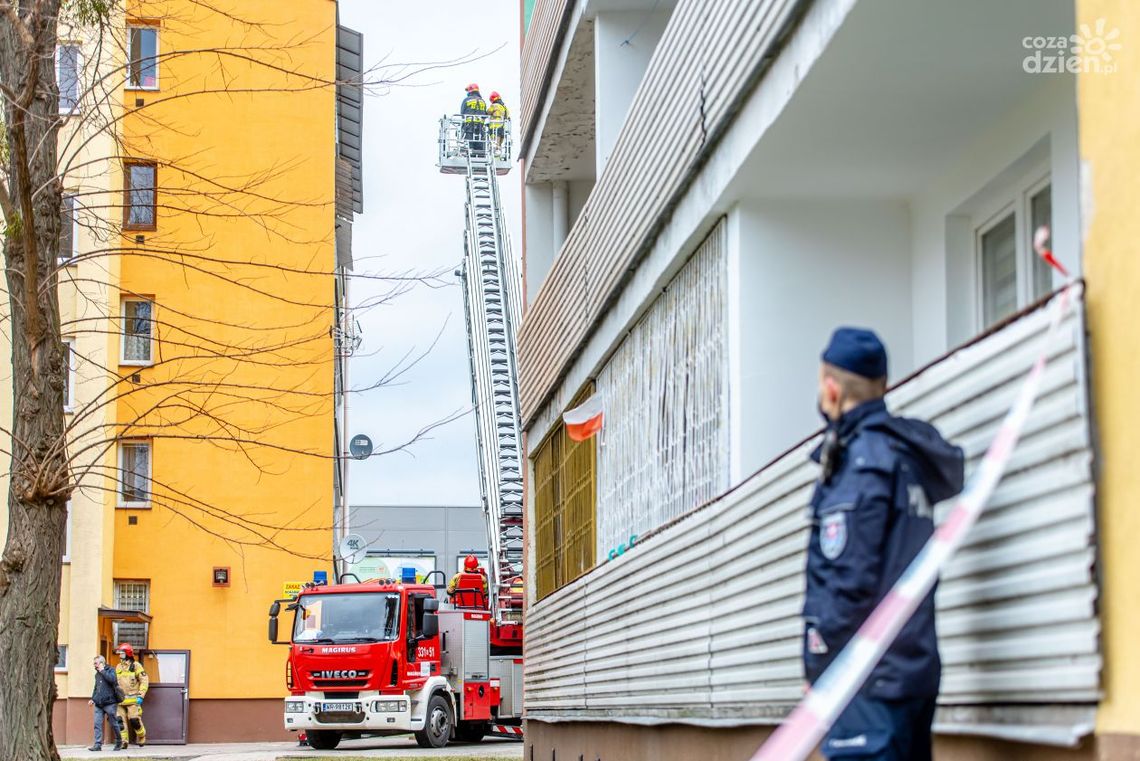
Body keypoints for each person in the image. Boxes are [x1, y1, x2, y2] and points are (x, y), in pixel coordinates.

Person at [804, 327, 964, 761]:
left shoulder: (862, 462)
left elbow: (847, 578)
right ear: (883, 386)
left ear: (832, 389)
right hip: (914, 669)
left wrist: (819, 663)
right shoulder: (905, 453)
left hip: (866, 677)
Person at [113, 643, 149, 748]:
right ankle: (124, 742)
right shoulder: (118, 667)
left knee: (134, 720)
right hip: (120, 700)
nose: (120, 654)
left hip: (133, 699)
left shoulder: (136, 666)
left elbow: (144, 680)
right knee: (120, 721)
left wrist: (141, 695)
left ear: (128, 654)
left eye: (122, 652)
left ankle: (141, 736)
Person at [88, 655, 123, 752]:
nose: (94, 665)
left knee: (113, 723)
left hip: (110, 703)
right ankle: (98, 745)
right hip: (99, 704)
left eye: (95, 663)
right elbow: (96, 688)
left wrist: (103, 671)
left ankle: (119, 741)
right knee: (97, 724)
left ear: (102, 663)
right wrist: (93, 699)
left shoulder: (111, 670)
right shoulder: (97, 674)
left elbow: (112, 680)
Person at [459, 83, 487, 155]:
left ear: (470, 91)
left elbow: (462, 114)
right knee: (480, 150)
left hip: (469, 128)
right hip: (480, 129)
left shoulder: (466, 100)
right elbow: (485, 114)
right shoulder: (483, 101)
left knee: (468, 148)